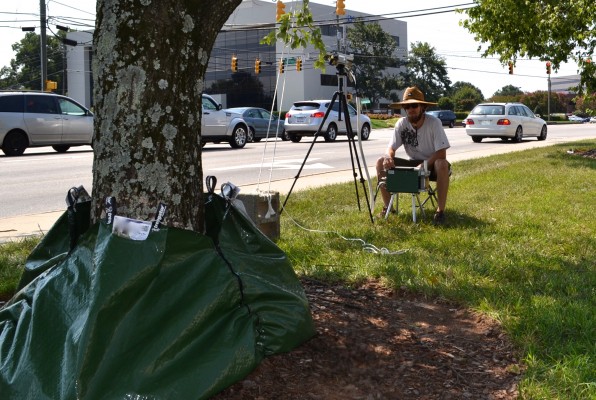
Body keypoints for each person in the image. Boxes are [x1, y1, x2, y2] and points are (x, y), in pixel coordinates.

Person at [376, 86, 451, 225]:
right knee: (380, 161)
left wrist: (424, 165)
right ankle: (389, 208)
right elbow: (391, 147)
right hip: (412, 163)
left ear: (422, 107)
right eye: (407, 106)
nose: (411, 109)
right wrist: (388, 157)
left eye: (414, 105)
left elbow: (442, 152)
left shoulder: (434, 123)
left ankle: (440, 212)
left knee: (442, 163)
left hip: (432, 164)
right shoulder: (401, 123)